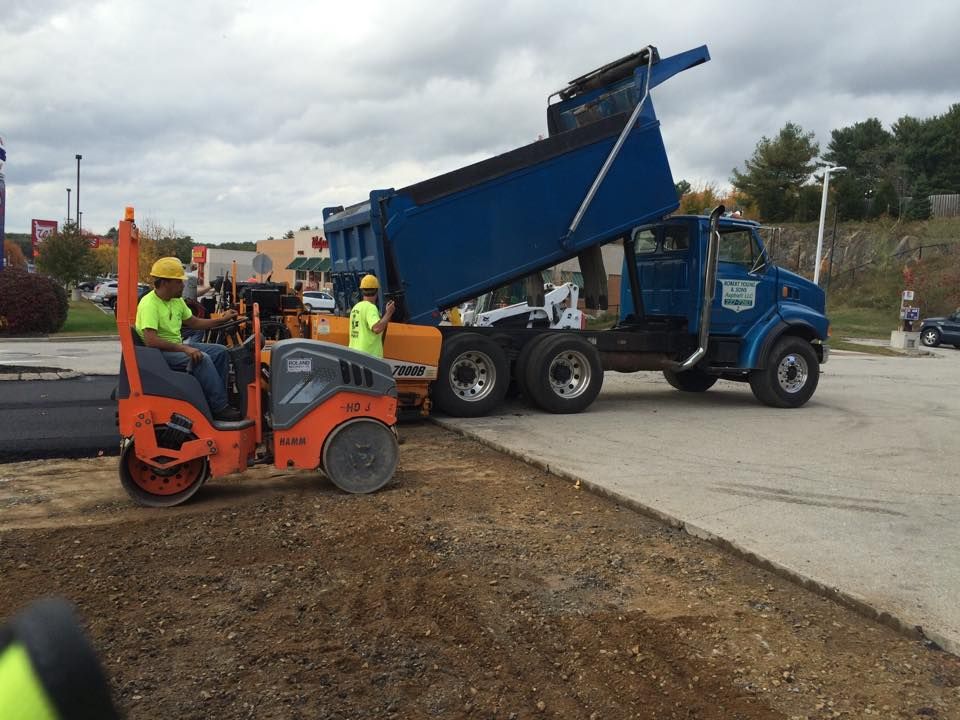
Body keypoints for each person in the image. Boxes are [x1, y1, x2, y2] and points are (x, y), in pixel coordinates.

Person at [136, 257, 242, 421]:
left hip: (173, 348)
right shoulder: (149, 304)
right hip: (157, 354)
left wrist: (222, 319)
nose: (183, 285)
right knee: (202, 358)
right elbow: (151, 340)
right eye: (179, 282)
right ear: (165, 283)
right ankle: (220, 408)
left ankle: (215, 401)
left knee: (220, 351)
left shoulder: (176, 301)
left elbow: (193, 322)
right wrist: (185, 348)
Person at [349, 274, 395, 359]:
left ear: (362, 290)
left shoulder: (356, 307)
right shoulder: (370, 308)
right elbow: (376, 328)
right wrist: (389, 313)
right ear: (376, 291)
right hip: (369, 357)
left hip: (355, 354)